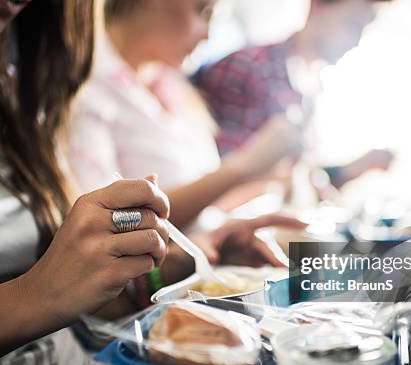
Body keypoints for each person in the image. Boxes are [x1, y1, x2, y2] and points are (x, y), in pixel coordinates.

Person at [0, 1, 304, 365]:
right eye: (201, 11)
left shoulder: (9, 90)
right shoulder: (88, 95)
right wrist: (40, 293)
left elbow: (84, 306)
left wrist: (170, 264)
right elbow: (47, 294)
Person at [68, 0, 305, 229]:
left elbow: (203, 215)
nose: (208, 36)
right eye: (202, 11)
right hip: (158, 270)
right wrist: (243, 166)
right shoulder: (86, 91)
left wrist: (266, 185)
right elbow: (106, 224)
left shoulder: (171, 85)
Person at [194, 0, 394, 188]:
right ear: (317, 6)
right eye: (352, 25)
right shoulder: (249, 67)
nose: (356, 41)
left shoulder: (311, 91)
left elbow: (296, 180)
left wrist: (349, 171)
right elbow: (218, 180)